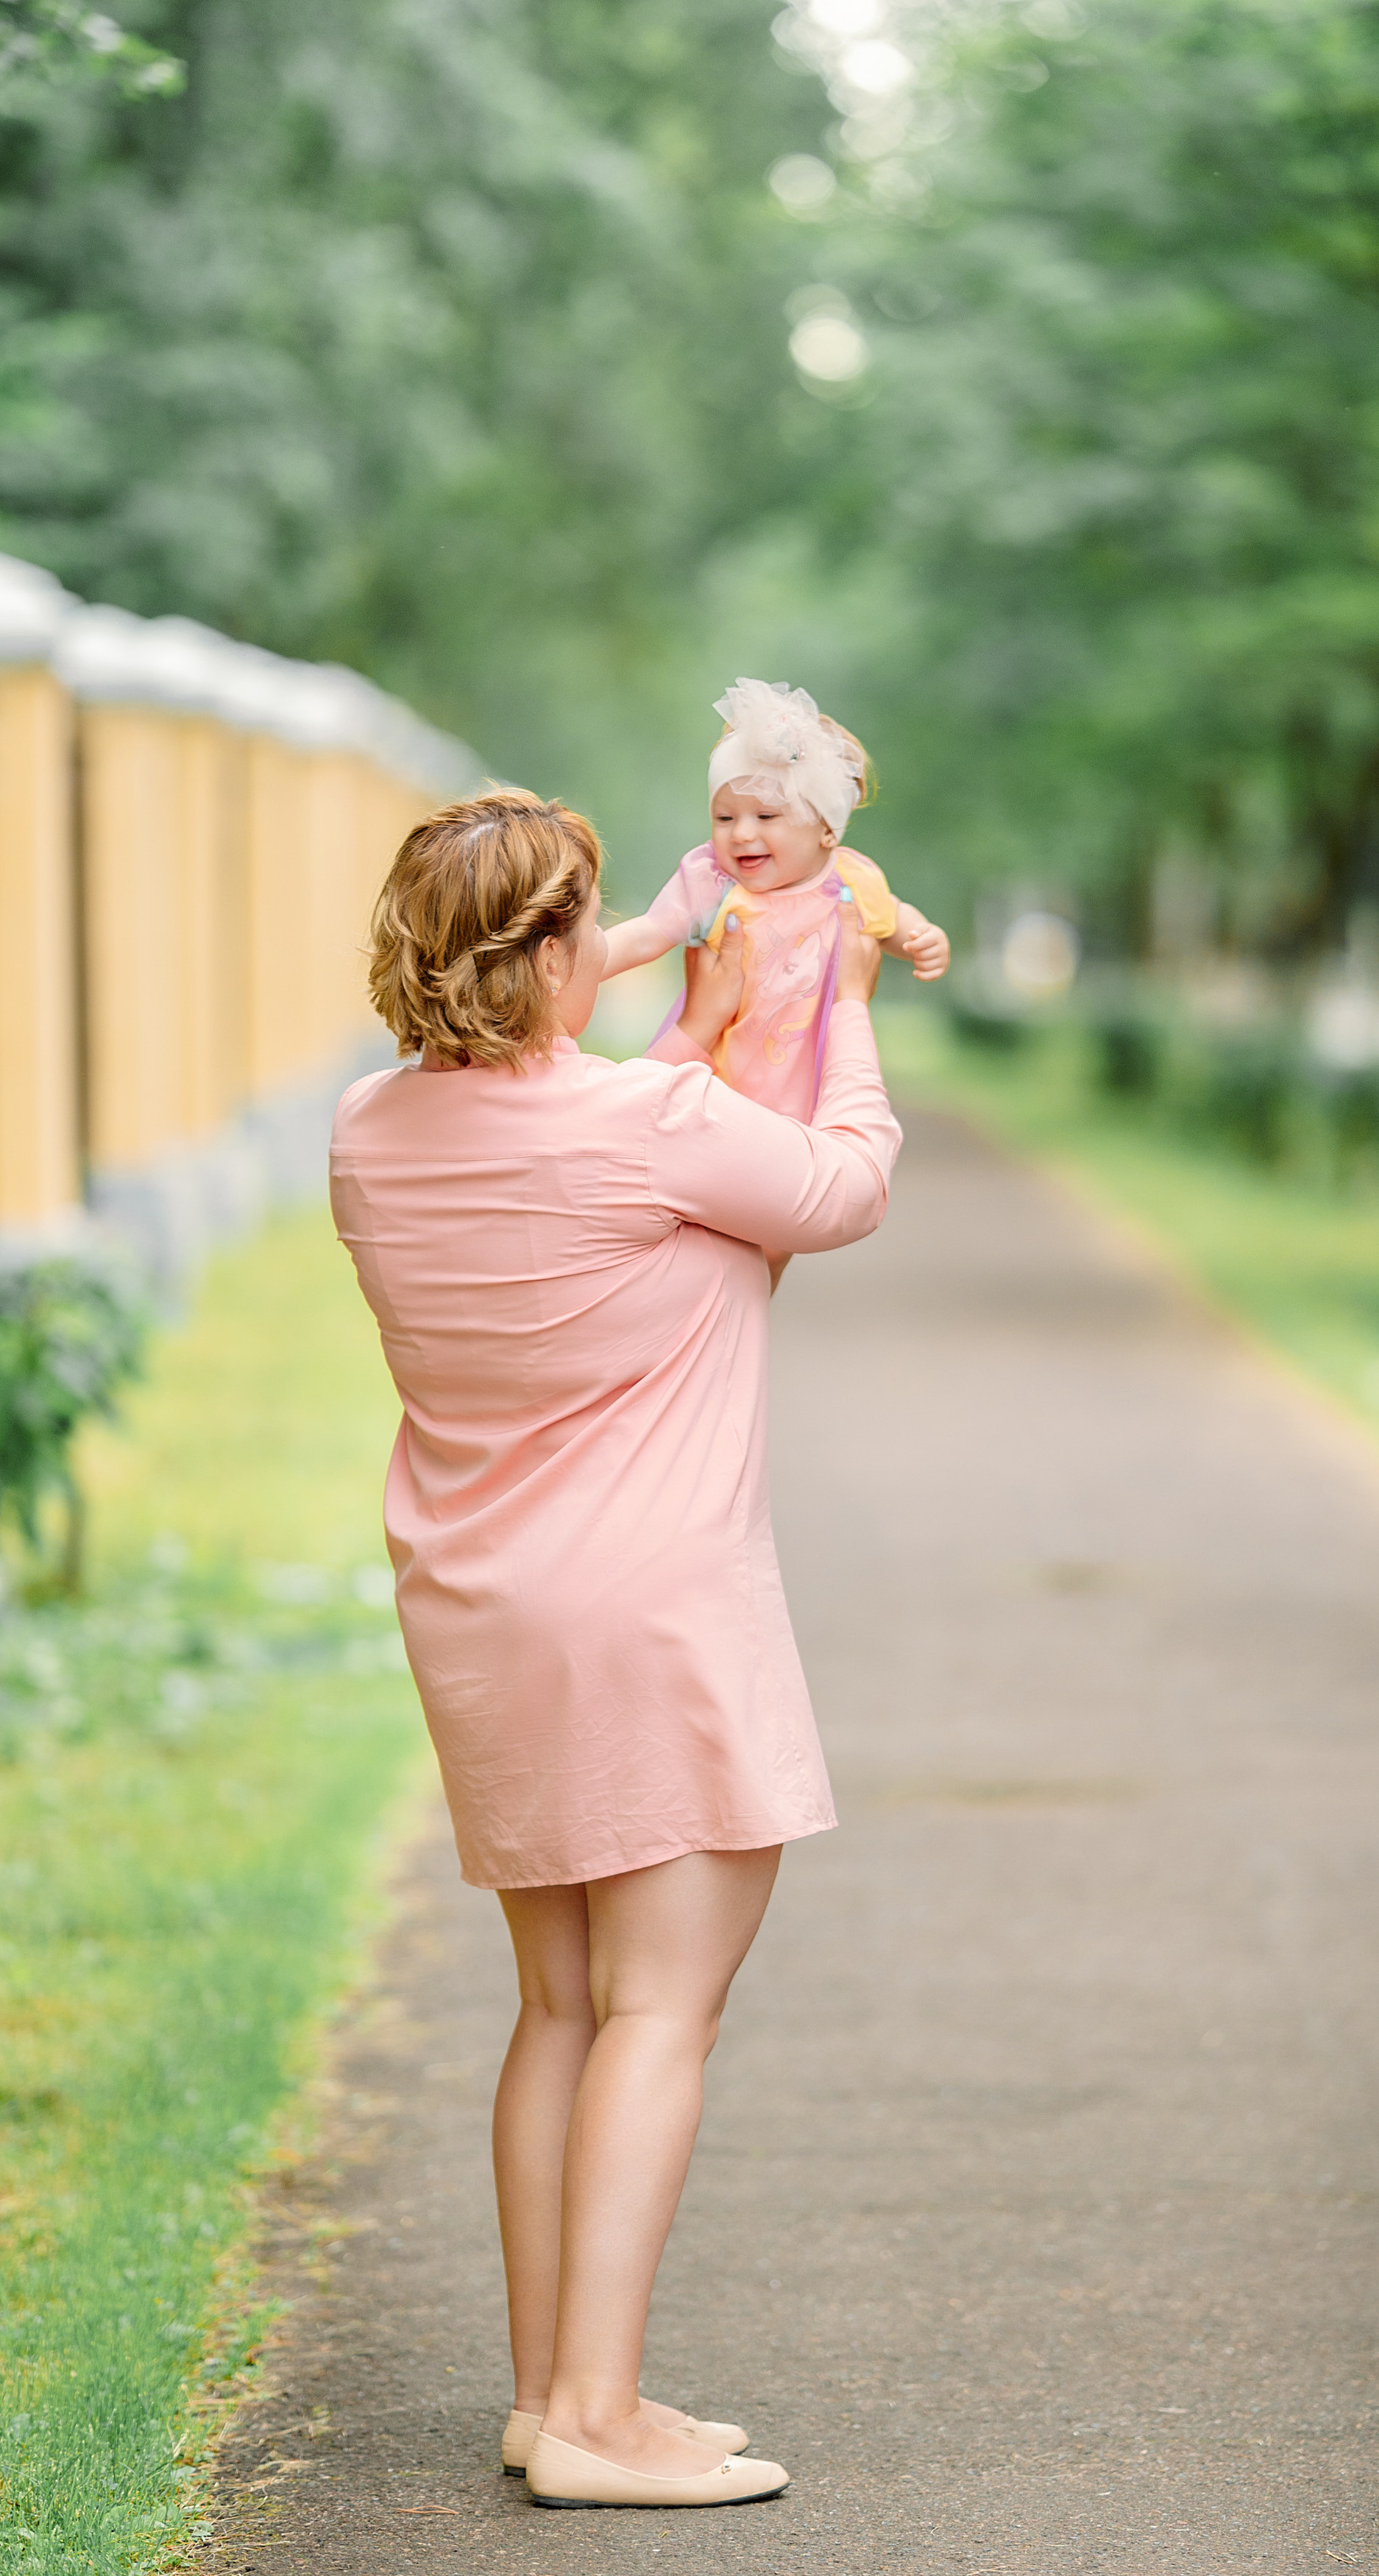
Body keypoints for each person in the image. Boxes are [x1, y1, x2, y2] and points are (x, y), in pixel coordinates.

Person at [328, 786, 899, 2511]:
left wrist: (684, 1050)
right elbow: (842, 1187)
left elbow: (574, 1170)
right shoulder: (651, 1123)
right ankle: (597, 2415)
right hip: (654, 1619)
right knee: (661, 2007)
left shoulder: (369, 1129)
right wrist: (844, 1009)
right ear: (558, 950)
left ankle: (549, 2394)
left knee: (559, 2006)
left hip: (486, 1619)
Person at [600, 674, 950, 1122]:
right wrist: (584, 962)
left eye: (767, 815)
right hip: (718, 1088)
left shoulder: (850, 881)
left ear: (827, 828)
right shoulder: (713, 882)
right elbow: (648, 934)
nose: (742, 834)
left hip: (812, 1091)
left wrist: (923, 938)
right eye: (724, 817)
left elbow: (895, 917)